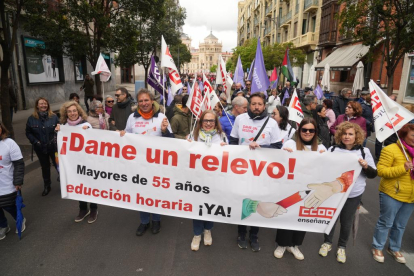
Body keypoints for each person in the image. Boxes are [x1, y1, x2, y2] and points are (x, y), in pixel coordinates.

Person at [230, 92, 282, 252]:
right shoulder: (240, 119)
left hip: (261, 171)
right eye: (253, 104)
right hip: (242, 169)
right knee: (243, 200)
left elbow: (277, 146)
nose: (257, 107)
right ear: (249, 105)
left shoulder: (272, 123)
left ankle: (254, 235)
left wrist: (261, 148)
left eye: (260, 104)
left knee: (257, 202)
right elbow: (232, 141)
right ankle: (241, 233)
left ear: (264, 105)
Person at [319, 122, 377, 263]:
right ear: (340, 135)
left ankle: (342, 247)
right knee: (331, 219)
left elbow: (373, 174)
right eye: (344, 133)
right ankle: (327, 243)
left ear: (357, 136)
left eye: (350, 134)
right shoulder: (332, 149)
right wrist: (320, 157)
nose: (347, 136)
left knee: (346, 222)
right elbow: (322, 168)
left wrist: (365, 166)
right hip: (335, 193)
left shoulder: (364, 152)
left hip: (353, 194)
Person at [120, 88, 173, 236]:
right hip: (138, 164)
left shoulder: (161, 117)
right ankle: (144, 221)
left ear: (152, 101)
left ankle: (156, 220)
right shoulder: (132, 118)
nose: (144, 103)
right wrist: (123, 135)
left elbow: (171, 142)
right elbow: (127, 139)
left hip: (156, 165)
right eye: (141, 101)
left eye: (146, 100)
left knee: (155, 192)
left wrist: (164, 131)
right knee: (141, 192)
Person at [275, 118, 326, 260]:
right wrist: (283, 154)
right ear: (299, 131)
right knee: (286, 215)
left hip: (309, 190)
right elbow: (278, 164)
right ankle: (282, 244)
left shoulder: (321, 148)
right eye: (304, 130)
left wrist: (326, 159)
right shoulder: (290, 143)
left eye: (311, 130)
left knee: (303, 217)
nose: (308, 132)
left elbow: (327, 169)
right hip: (290, 188)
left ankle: (294, 245)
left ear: (315, 132)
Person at [372, 123, 414, 264]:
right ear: (404, 135)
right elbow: (381, 171)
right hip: (392, 193)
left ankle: (394, 248)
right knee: (386, 222)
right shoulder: (390, 149)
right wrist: (403, 167)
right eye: (413, 136)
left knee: (400, 225)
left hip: (410, 196)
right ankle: (377, 247)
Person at [188, 110, 228, 251]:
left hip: (214, 180)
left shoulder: (221, 137)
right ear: (201, 122)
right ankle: (197, 234)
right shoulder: (193, 136)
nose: (208, 123)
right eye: (206, 120)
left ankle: (208, 230)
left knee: (210, 205)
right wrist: (186, 145)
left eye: (211, 121)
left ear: (216, 122)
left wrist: (226, 148)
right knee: (198, 207)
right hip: (197, 180)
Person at [55, 102, 95, 223]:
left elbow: (95, 142)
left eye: (74, 111)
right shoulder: (63, 127)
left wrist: (87, 132)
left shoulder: (86, 125)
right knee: (79, 186)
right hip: (73, 164)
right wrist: (57, 132)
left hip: (87, 163)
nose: (72, 113)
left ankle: (94, 209)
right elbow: (60, 147)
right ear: (65, 113)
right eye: (69, 111)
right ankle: (83, 209)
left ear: (78, 112)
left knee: (90, 186)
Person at [25, 97, 59, 196]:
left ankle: (65, 183)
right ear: (37, 106)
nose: (44, 105)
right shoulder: (31, 119)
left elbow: (60, 129)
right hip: (40, 148)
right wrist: (36, 142)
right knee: (45, 167)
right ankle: (47, 185)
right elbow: (28, 133)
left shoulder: (54, 117)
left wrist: (56, 135)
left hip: (53, 147)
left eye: (45, 103)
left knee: (58, 165)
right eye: (41, 104)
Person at [0, 122, 25, 240]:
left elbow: (19, 164)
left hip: (8, 185)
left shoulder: (9, 143)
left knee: (9, 205)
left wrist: (18, 181)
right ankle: (3, 226)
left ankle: (19, 218)